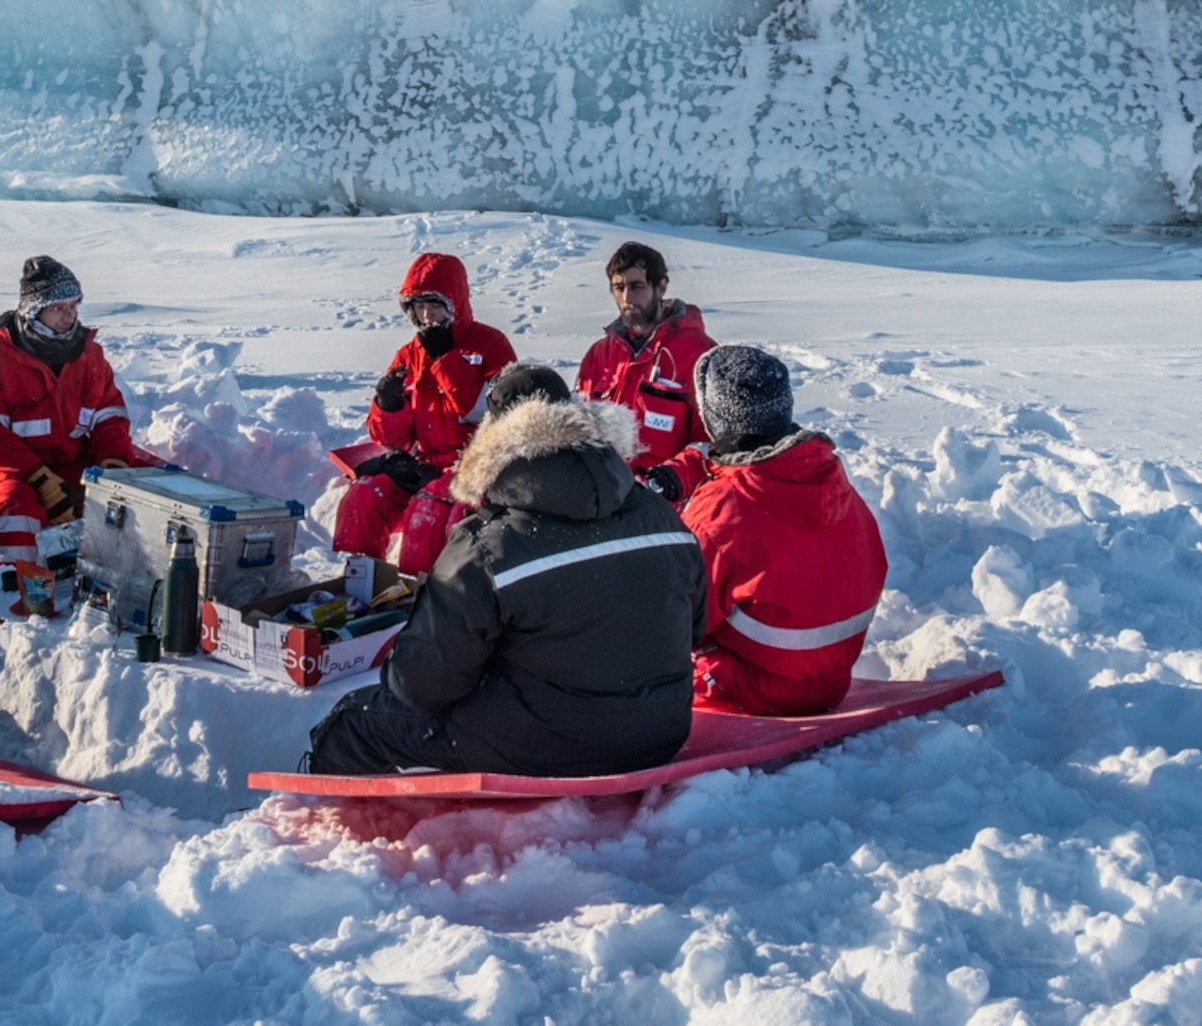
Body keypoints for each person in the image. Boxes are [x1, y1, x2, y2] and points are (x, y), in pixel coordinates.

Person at [304, 363, 706, 779]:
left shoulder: (488, 544)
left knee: (354, 719)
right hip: (661, 730)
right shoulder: (661, 516)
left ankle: (326, 822)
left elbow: (420, 686)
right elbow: (693, 628)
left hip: (545, 745)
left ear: (493, 439)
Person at [679, 345, 888, 717]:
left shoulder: (721, 512)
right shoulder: (830, 480)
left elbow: (673, 623)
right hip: (835, 680)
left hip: (752, 687)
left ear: (717, 417)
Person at [0, 255, 157, 584]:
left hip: (75, 463)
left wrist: (114, 468)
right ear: (33, 310)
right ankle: (10, 587)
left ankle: (144, 579)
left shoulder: (88, 354)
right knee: (13, 509)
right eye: (58, 307)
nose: (70, 315)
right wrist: (41, 480)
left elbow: (109, 416)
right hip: (10, 469)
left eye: (73, 305)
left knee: (156, 495)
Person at [336, 252, 520, 566]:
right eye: (418, 306)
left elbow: (491, 413)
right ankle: (359, 588)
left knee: (429, 511)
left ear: (455, 303)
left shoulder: (490, 345)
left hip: (476, 471)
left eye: (435, 305)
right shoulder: (408, 354)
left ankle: (420, 598)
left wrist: (445, 360)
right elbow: (392, 440)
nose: (426, 316)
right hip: (424, 466)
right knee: (364, 496)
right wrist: (388, 406)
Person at [574, 240, 716, 489]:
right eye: (619, 288)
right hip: (602, 494)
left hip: (666, 501)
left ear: (661, 287)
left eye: (636, 286)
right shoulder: (599, 354)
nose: (627, 297)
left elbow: (711, 441)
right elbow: (578, 425)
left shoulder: (699, 354)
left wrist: (670, 479)